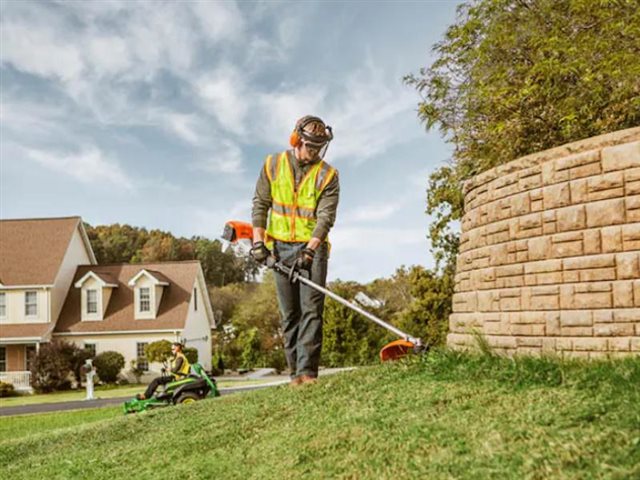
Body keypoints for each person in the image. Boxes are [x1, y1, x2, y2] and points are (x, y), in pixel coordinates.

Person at [251, 115, 339, 386]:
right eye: (310, 146)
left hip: (312, 250)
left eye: (319, 148)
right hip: (278, 247)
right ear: (296, 140)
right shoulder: (273, 164)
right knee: (289, 314)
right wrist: (258, 243)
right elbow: (260, 204)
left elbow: (325, 218)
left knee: (312, 310)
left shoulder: (329, 175)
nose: (314, 153)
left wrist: (310, 251)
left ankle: (308, 373)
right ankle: (294, 376)